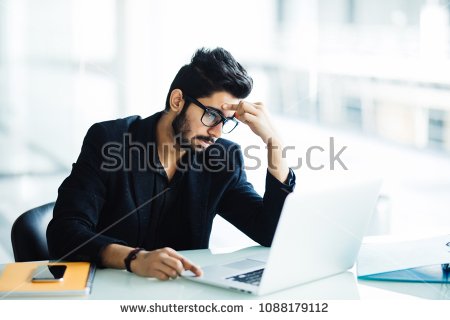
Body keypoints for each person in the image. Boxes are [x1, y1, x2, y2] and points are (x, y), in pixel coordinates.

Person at [47, 47, 296, 280]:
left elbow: (270, 232)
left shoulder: (222, 159)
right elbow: (64, 232)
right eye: (211, 116)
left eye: (226, 121)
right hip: (109, 292)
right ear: (177, 101)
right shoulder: (110, 141)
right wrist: (134, 259)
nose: (217, 132)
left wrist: (275, 144)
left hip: (181, 299)